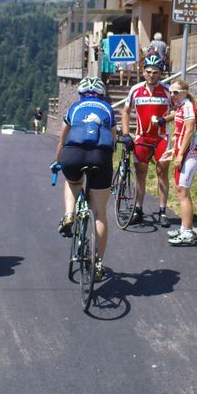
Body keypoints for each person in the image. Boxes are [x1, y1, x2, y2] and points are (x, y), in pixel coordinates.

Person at [53, 77, 115, 279]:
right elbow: (113, 140)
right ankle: (97, 263)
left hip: (74, 155)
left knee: (73, 182)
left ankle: (69, 214)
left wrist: (57, 161)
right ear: (102, 95)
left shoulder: (75, 108)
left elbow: (63, 140)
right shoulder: (107, 109)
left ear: (80, 94)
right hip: (100, 157)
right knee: (100, 214)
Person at [119, 55, 171, 228]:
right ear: (143, 72)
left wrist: (165, 120)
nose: (151, 75)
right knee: (140, 173)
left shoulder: (167, 90)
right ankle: (138, 209)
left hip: (161, 138)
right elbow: (125, 112)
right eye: (148, 71)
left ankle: (162, 211)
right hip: (142, 137)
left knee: (162, 172)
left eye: (155, 72)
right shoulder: (135, 90)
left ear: (160, 73)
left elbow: (178, 111)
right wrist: (126, 134)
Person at [165, 79, 197, 246]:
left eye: (176, 92)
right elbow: (194, 131)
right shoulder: (182, 107)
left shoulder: (187, 107)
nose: (172, 95)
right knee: (181, 191)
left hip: (189, 155)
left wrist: (181, 154)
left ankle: (187, 232)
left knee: (183, 192)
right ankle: (184, 228)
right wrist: (174, 150)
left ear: (185, 92)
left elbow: (190, 131)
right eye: (171, 92)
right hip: (187, 153)